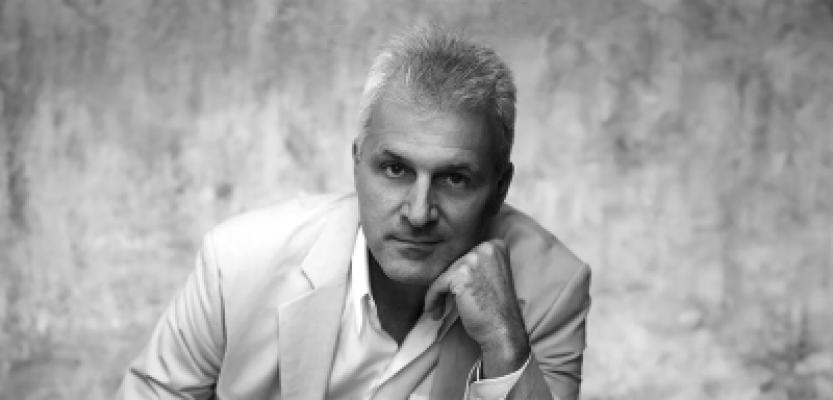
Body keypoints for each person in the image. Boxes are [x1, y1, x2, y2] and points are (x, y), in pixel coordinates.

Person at [119, 26, 591, 400]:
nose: (419, 212)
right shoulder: (239, 262)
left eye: (454, 179)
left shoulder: (550, 290)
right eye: (395, 169)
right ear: (357, 163)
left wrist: (505, 345)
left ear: (499, 188)